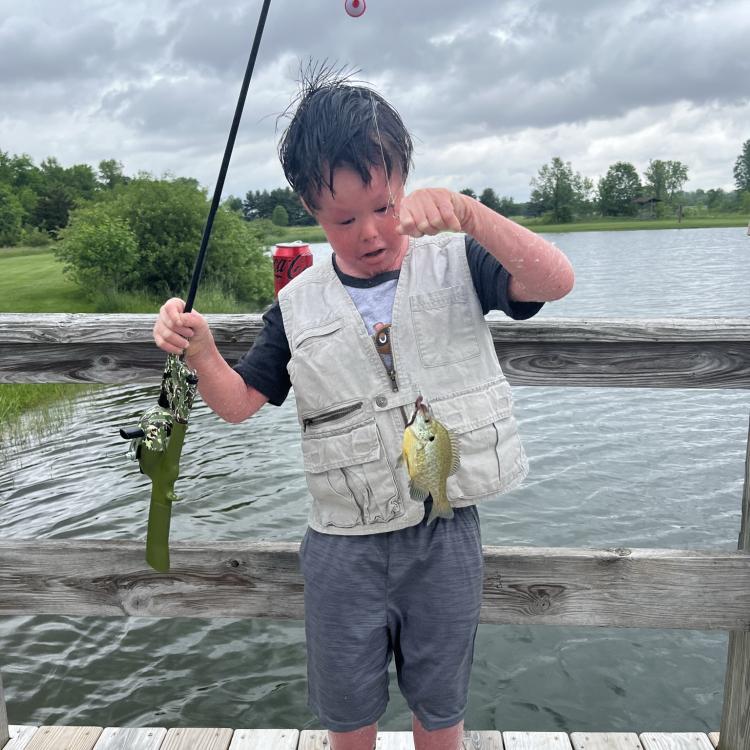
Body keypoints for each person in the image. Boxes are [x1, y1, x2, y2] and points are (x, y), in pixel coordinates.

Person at [153, 68, 574, 750]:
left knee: (441, 709)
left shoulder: (463, 261)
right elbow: (236, 406)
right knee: (348, 715)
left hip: (445, 537)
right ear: (309, 209)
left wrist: (469, 212)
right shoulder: (295, 306)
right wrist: (201, 353)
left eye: (382, 207)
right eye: (344, 219)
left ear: (404, 179)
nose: (370, 232)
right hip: (342, 547)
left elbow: (555, 279)